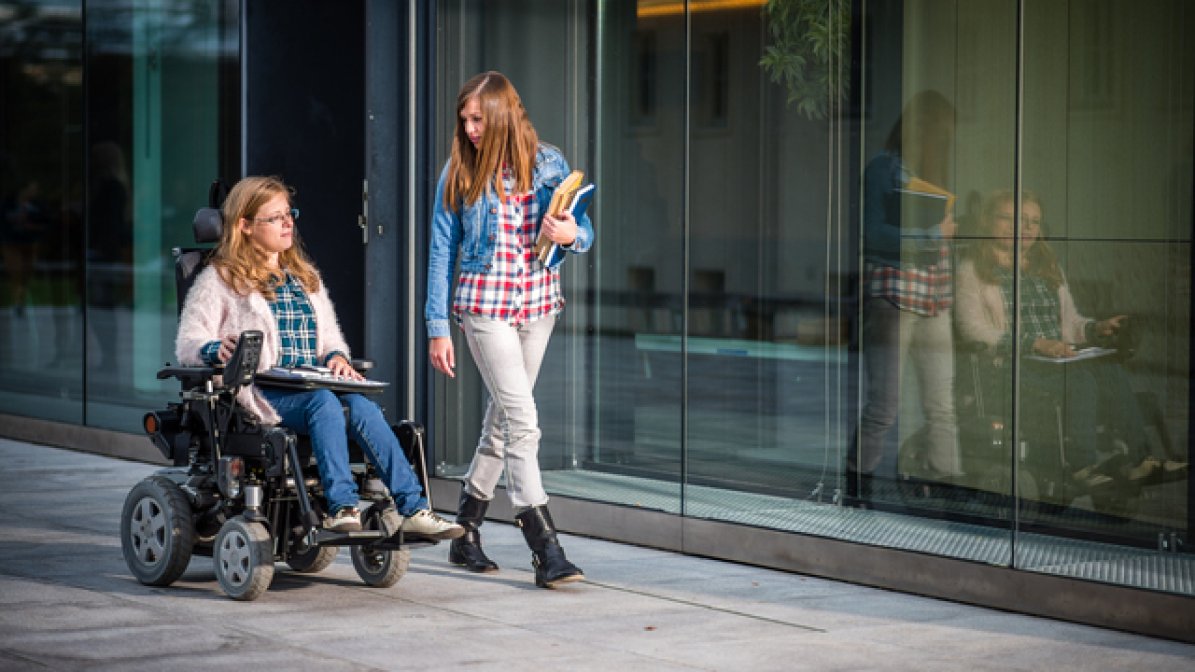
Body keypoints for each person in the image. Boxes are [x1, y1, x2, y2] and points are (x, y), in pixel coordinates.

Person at [176, 175, 463, 539]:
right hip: (261, 391)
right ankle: (341, 507)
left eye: (289, 214)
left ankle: (414, 508)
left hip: (310, 381)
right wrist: (217, 349)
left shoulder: (303, 276)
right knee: (324, 403)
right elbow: (189, 341)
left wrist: (338, 357)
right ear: (245, 226)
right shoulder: (220, 279)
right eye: (275, 217)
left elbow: (329, 338)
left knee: (362, 408)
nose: (287, 223)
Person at [425, 71, 593, 588]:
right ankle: (544, 546)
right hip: (485, 308)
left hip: (539, 305)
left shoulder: (549, 162)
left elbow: (581, 230)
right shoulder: (460, 170)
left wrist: (571, 234)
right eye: (465, 119)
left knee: (501, 425)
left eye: (478, 118)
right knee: (522, 420)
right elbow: (440, 249)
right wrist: (437, 326)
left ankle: (466, 530)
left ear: (501, 113)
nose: (470, 128)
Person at [953, 189, 1185, 487]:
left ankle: (1139, 462)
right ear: (988, 221)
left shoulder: (1046, 266)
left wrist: (1094, 328)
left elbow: (1070, 322)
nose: (1025, 228)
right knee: (1079, 381)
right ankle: (1081, 468)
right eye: (1012, 219)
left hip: (1055, 360)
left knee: (1109, 369)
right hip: (1009, 367)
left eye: (1033, 222)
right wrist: (1034, 344)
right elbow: (973, 330)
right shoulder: (973, 269)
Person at [849, 90, 961, 505]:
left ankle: (950, 489)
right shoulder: (884, 168)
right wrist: (932, 235)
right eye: (942, 135)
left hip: (935, 297)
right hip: (895, 295)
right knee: (885, 405)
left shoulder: (938, 173)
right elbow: (873, 233)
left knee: (942, 405)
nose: (945, 143)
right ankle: (858, 488)